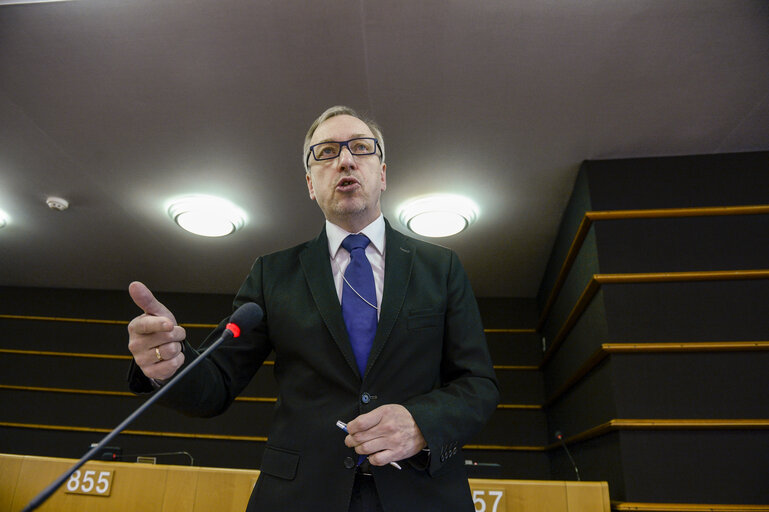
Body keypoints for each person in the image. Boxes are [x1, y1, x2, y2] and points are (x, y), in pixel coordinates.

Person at [126, 105, 499, 511]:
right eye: (325, 152)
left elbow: (477, 385)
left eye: (361, 147)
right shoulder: (273, 274)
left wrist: (422, 423)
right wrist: (169, 367)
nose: (344, 160)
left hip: (423, 495)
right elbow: (216, 385)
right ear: (309, 183)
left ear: (383, 173)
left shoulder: (441, 268)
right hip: (299, 497)